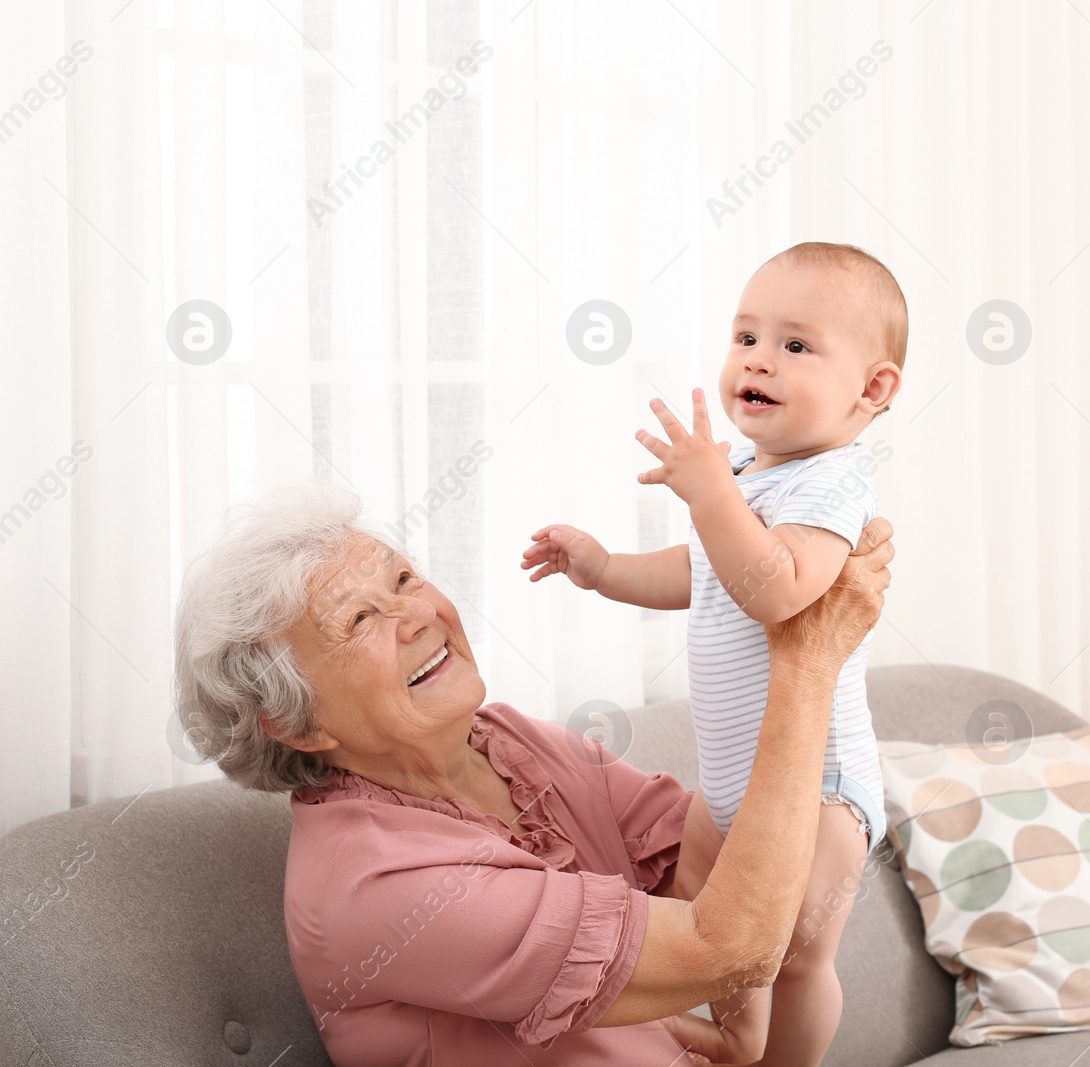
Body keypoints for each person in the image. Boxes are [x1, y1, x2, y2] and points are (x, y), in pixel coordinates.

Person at [172, 484, 893, 1065]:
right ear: (298, 723)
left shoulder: (506, 740)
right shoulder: (375, 883)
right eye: (360, 618)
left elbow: (717, 870)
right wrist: (806, 662)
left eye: (402, 577)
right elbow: (729, 947)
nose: (415, 614)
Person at [521, 242, 906, 1065]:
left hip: (820, 790)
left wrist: (711, 494)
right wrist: (604, 570)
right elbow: (704, 573)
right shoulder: (745, 470)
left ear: (871, 390)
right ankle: (739, 1035)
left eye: (796, 346)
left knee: (795, 957)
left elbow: (775, 588)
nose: (759, 361)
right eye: (746, 337)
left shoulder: (832, 483)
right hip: (734, 783)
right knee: (710, 923)